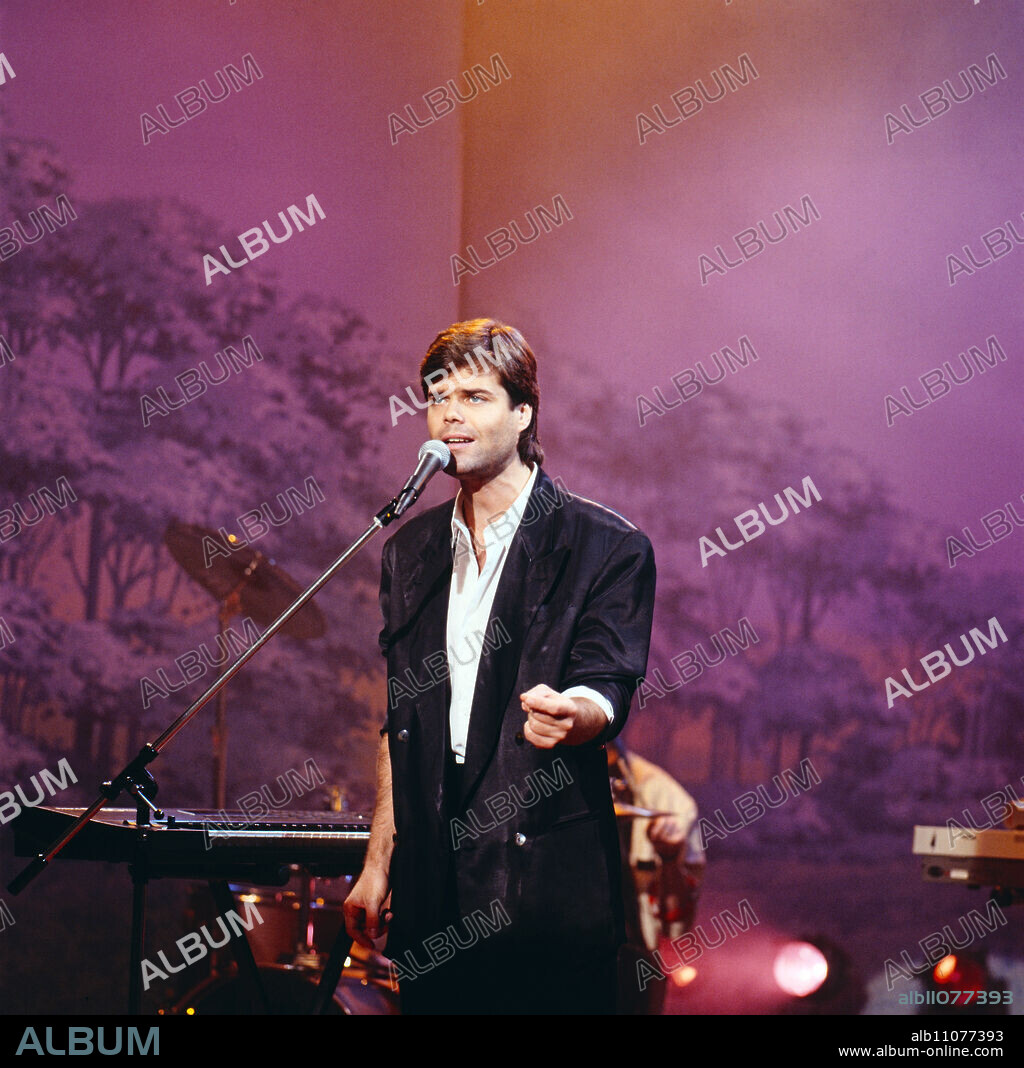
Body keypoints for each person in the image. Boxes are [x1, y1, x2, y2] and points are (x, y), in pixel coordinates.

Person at [343, 318, 656, 1014]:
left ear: (523, 413)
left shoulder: (604, 546)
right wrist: (376, 863)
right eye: (438, 397)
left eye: (475, 396)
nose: (450, 412)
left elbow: (608, 681)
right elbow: (404, 723)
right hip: (432, 893)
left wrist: (577, 715)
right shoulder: (410, 551)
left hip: (540, 891)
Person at [607, 739, 706, 1014]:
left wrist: (670, 859)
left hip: (629, 971)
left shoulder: (667, 798)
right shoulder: (530, 781)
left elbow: (676, 924)